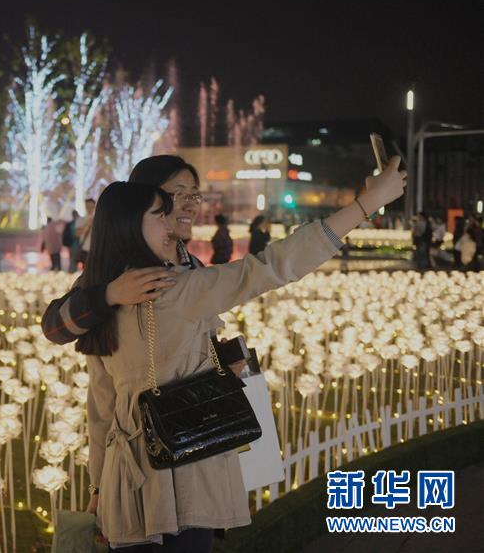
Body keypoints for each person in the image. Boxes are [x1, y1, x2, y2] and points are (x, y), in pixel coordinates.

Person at [74, 157, 406, 552]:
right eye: (162, 213)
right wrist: (365, 205)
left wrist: (99, 486)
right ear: (130, 226)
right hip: (184, 473)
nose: (172, 223)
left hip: (125, 485)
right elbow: (271, 266)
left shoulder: (100, 293)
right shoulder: (175, 287)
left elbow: (101, 405)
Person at [42, 155, 212, 348]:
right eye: (179, 195)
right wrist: (109, 295)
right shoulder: (120, 270)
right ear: (144, 201)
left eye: (194, 196)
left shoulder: (195, 266)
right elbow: (54, 329)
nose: (191, 207)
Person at [74, 198, 96, 269]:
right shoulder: (80, 220)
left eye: (91, 207)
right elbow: (77, 234)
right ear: (85, 207)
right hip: (85, 250)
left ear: (94, 207)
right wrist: (87, 225)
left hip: (96, 250)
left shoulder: (98, 219)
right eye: (88, 207)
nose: (90, 209)